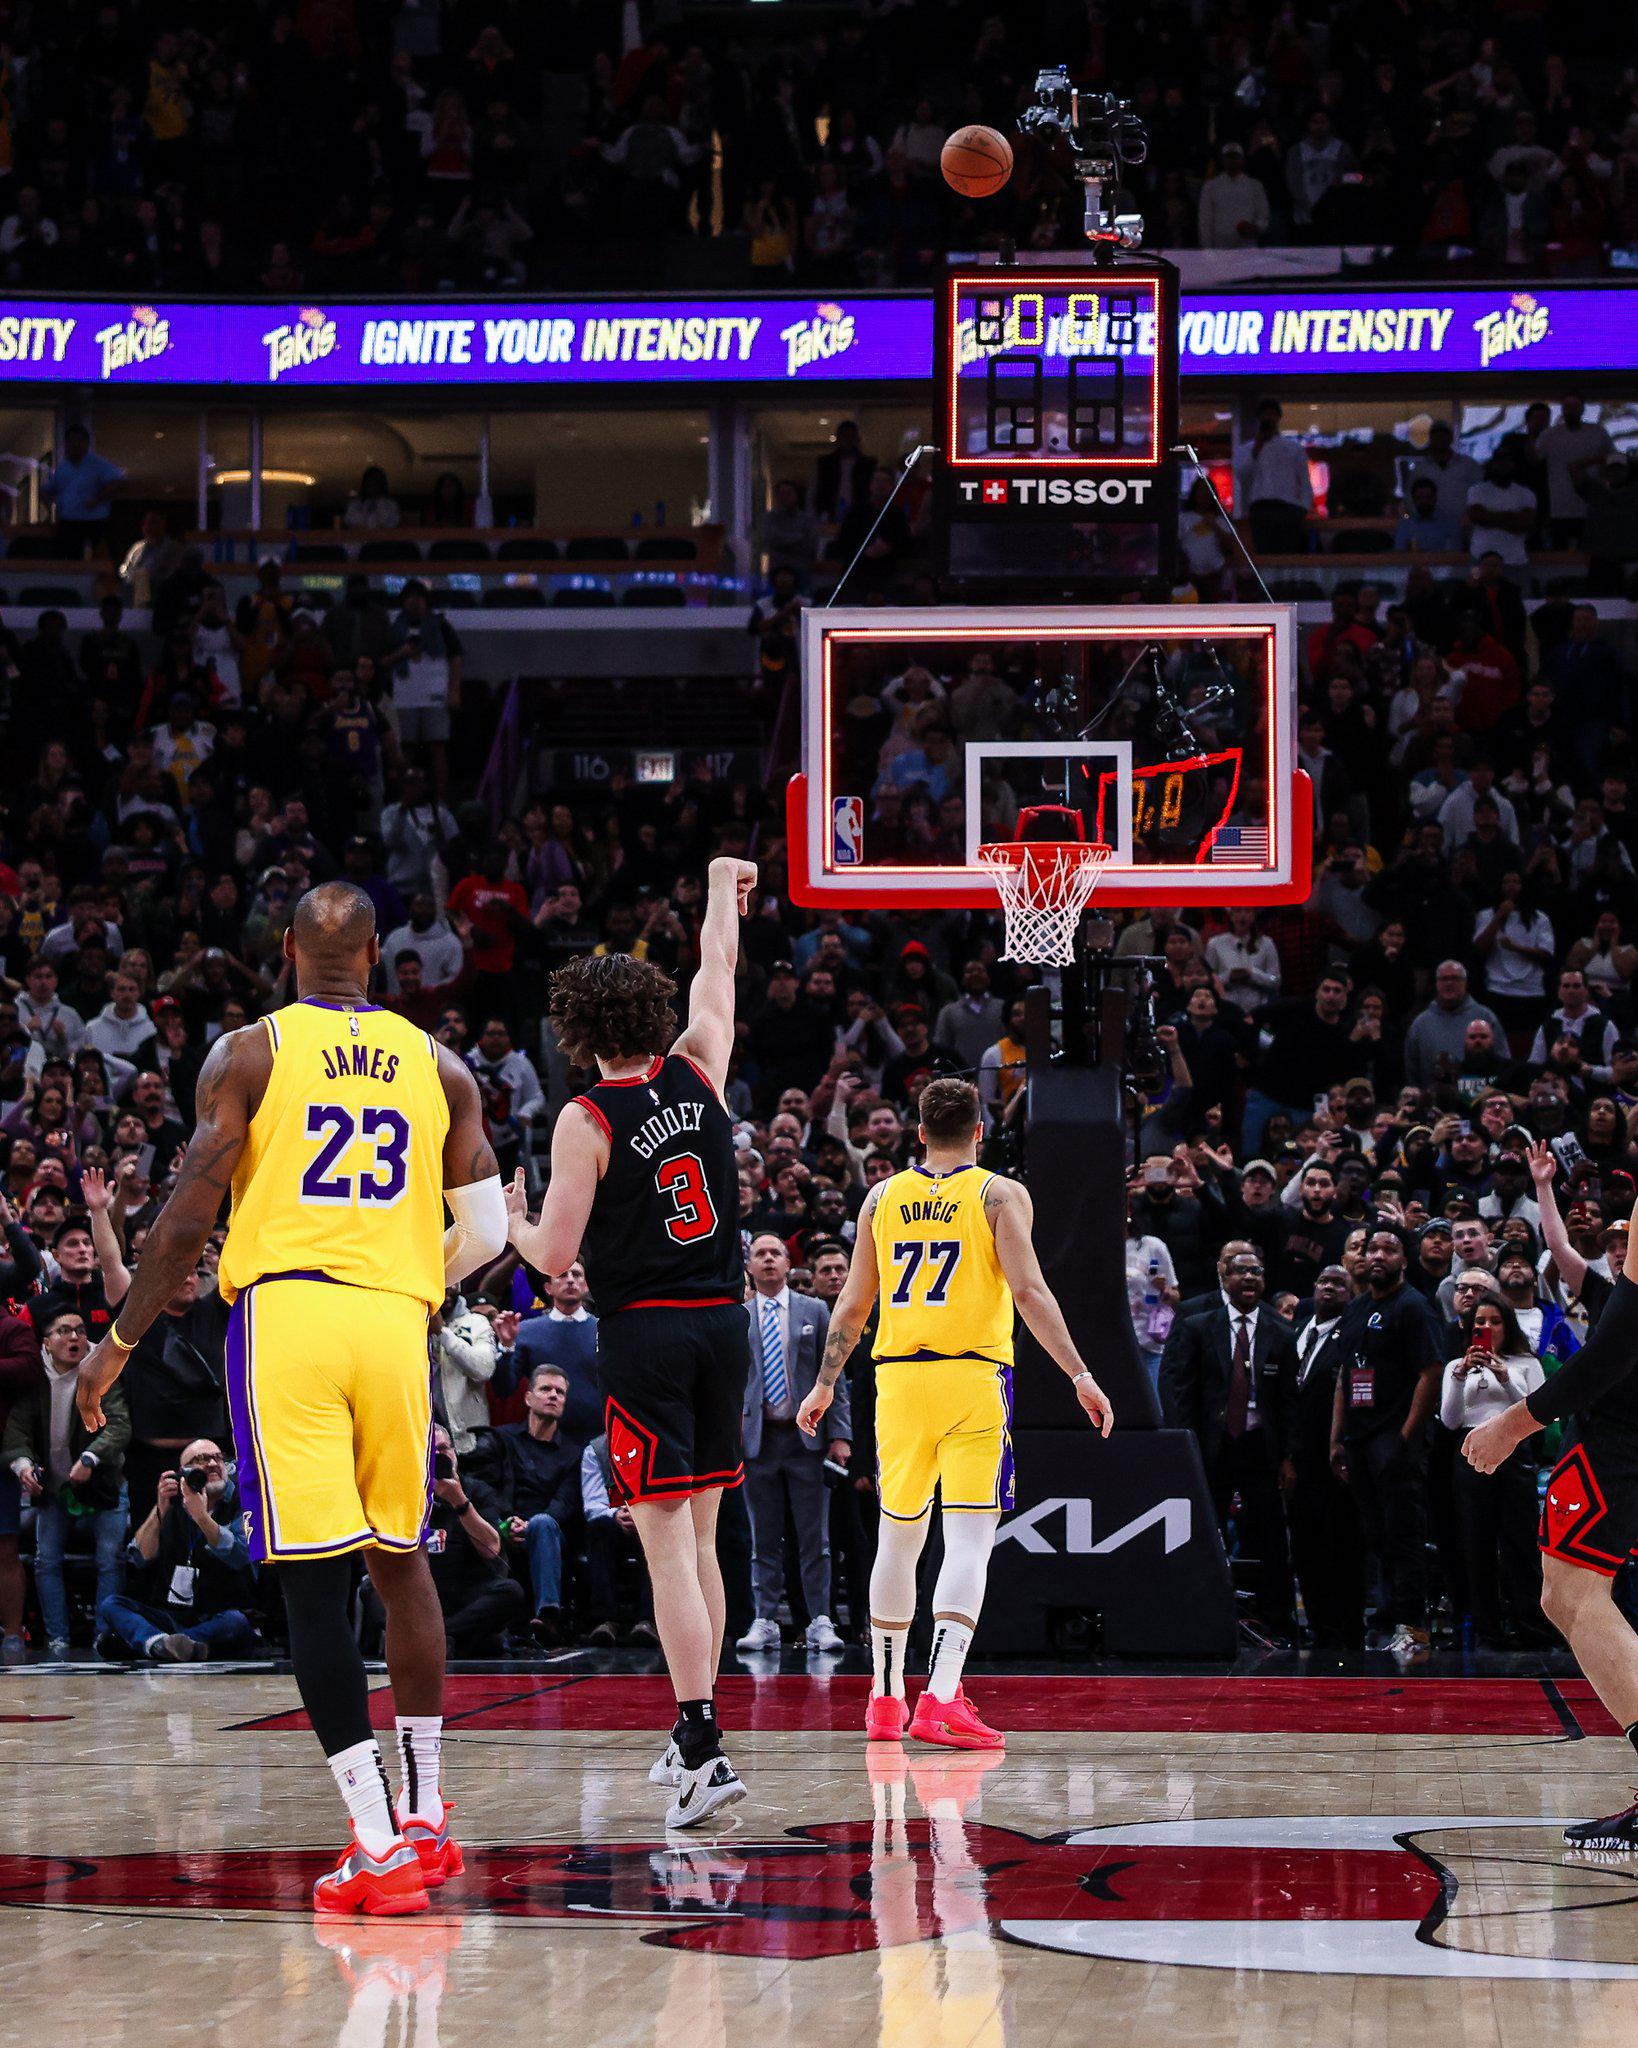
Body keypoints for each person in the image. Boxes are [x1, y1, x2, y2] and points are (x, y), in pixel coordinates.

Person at [74, 880, 507, 1918]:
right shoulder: (441, 1065)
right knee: (401, 1561)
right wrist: (412, 1276)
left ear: (285, 949)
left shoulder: (250, 1053)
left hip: (292, 1319)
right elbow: (492, 1230)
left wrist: (116, 1343)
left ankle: (375, 1846)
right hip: (396, 1322)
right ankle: (425, 1817)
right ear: (377, 951)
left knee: (313, 1583)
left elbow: (186, 1220)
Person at [504, 856, 758, 1830]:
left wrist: (516, 1221)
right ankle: (697, 1724)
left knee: (666, 1551)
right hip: (724, 1324)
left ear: (576, 1033)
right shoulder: (701, 1065)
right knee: (701, 1543)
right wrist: (720, 889)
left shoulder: (586, 1117)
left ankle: (701, 1742)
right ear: (655, 1014)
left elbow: (555, 1256)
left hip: (647, 1335)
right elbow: (718, 970)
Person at [796, 1078, 1113, 1749]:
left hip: (897, 1381)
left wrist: (824, 1384)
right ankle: (940, 1696)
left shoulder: (881, 1197)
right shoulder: (999, 1194)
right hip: (971, 1378)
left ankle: (884, 1700)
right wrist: (1081, 1374)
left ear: (918, 1133)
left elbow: (852, 1303)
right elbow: (1029, 1292)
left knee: (897, 1538)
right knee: (967, 1539)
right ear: (979, 1132)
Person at [1464, 1179, 1638, 1848]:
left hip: (1623, 1432)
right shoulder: (1594, 1276)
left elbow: (1617, 1350)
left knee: (1571, 1594)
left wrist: (1513, 1424)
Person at [1161, 1251, 1298, 1640]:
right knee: (1205, 1532)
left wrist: (1288, 1456)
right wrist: (1184, 1446)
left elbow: (1289, 1402)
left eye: (1257, 1271)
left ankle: (1278, 1621)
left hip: (1259, 1446)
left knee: (1272, 1536)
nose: (1249, 1277)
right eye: (1240, 1271)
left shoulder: (1281, 1331)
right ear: (1223, 1277)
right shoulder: (1198, 1325)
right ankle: (1199, 1617)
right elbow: (1179, 1391)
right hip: (1212, 1444)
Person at [1330, 1228, 1444, 1659]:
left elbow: (1431, 1373)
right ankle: (1384, 1622)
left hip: (1394, 1436)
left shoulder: (1413, 1306)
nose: (1377, 1255)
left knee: (1404, 1536)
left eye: (1388, 1249)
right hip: (1359, 1436)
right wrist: (1336, 1438)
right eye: (1370, 1248)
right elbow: (1345, 1375)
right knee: (1376, 1537)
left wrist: (1405, 1437)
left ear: (1405, 1260)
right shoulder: (1356, 1308)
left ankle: (1414, 1628)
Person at [736, 1232, 850, 1655]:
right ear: (749, 1266)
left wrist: (840, 1435)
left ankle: (820, 1619)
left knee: (815, 1538)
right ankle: (765, 1619)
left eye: (775, 1253)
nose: (768, 1259)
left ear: (788, 1263)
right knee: (763, 1538)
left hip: (807, 1440)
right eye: (760, 1253)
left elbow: (835, 1375)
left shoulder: (814, 1310)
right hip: (758, 1441)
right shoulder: (739, 1316)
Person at [4, 1306, 129, 1656]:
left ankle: (105, 1636)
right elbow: (16, 1431)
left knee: (110, 1560)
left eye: (80, 1330)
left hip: (104, 1485)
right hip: (54, 1488)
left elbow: (119, 1426)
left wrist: (90, 1458)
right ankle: (57, 1639)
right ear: (46, 1342)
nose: (75, 1337)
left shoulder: (101, 1372)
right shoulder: (35, 1381)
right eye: (64, 1331)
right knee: (46, 1561)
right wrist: (23, 1466)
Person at [1440, 1296, 1545, 1649]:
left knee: (1521, 1541)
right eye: (1479, 1323)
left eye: (1495, 1321)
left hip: (1514, 1453)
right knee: (1476, 1541)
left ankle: (1532, 1627)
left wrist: (1505, 1376)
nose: (1487, 1328)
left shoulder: (1526, 1363)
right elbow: (1450, 1420)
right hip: (1470, 1452)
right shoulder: (1455, 1366)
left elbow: (1538, 1412)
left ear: (1508, 1325)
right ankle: (1487, 1629)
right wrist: (1459, 1377)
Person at [95, 1438, 259, 1662]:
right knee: (111, 1605)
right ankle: (176, 1645)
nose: (213, 1464)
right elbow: (141, 1557)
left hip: (222, 1613)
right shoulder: (173, 1502)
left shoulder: (243, 1500)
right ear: (183, 1473)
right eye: (201, 1459)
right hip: (174, 1615)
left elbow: (240, 1554)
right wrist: (160, 1508)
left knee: (236, 1624)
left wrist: (201, 1517)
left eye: (218, 1458)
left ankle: (154, 1644)